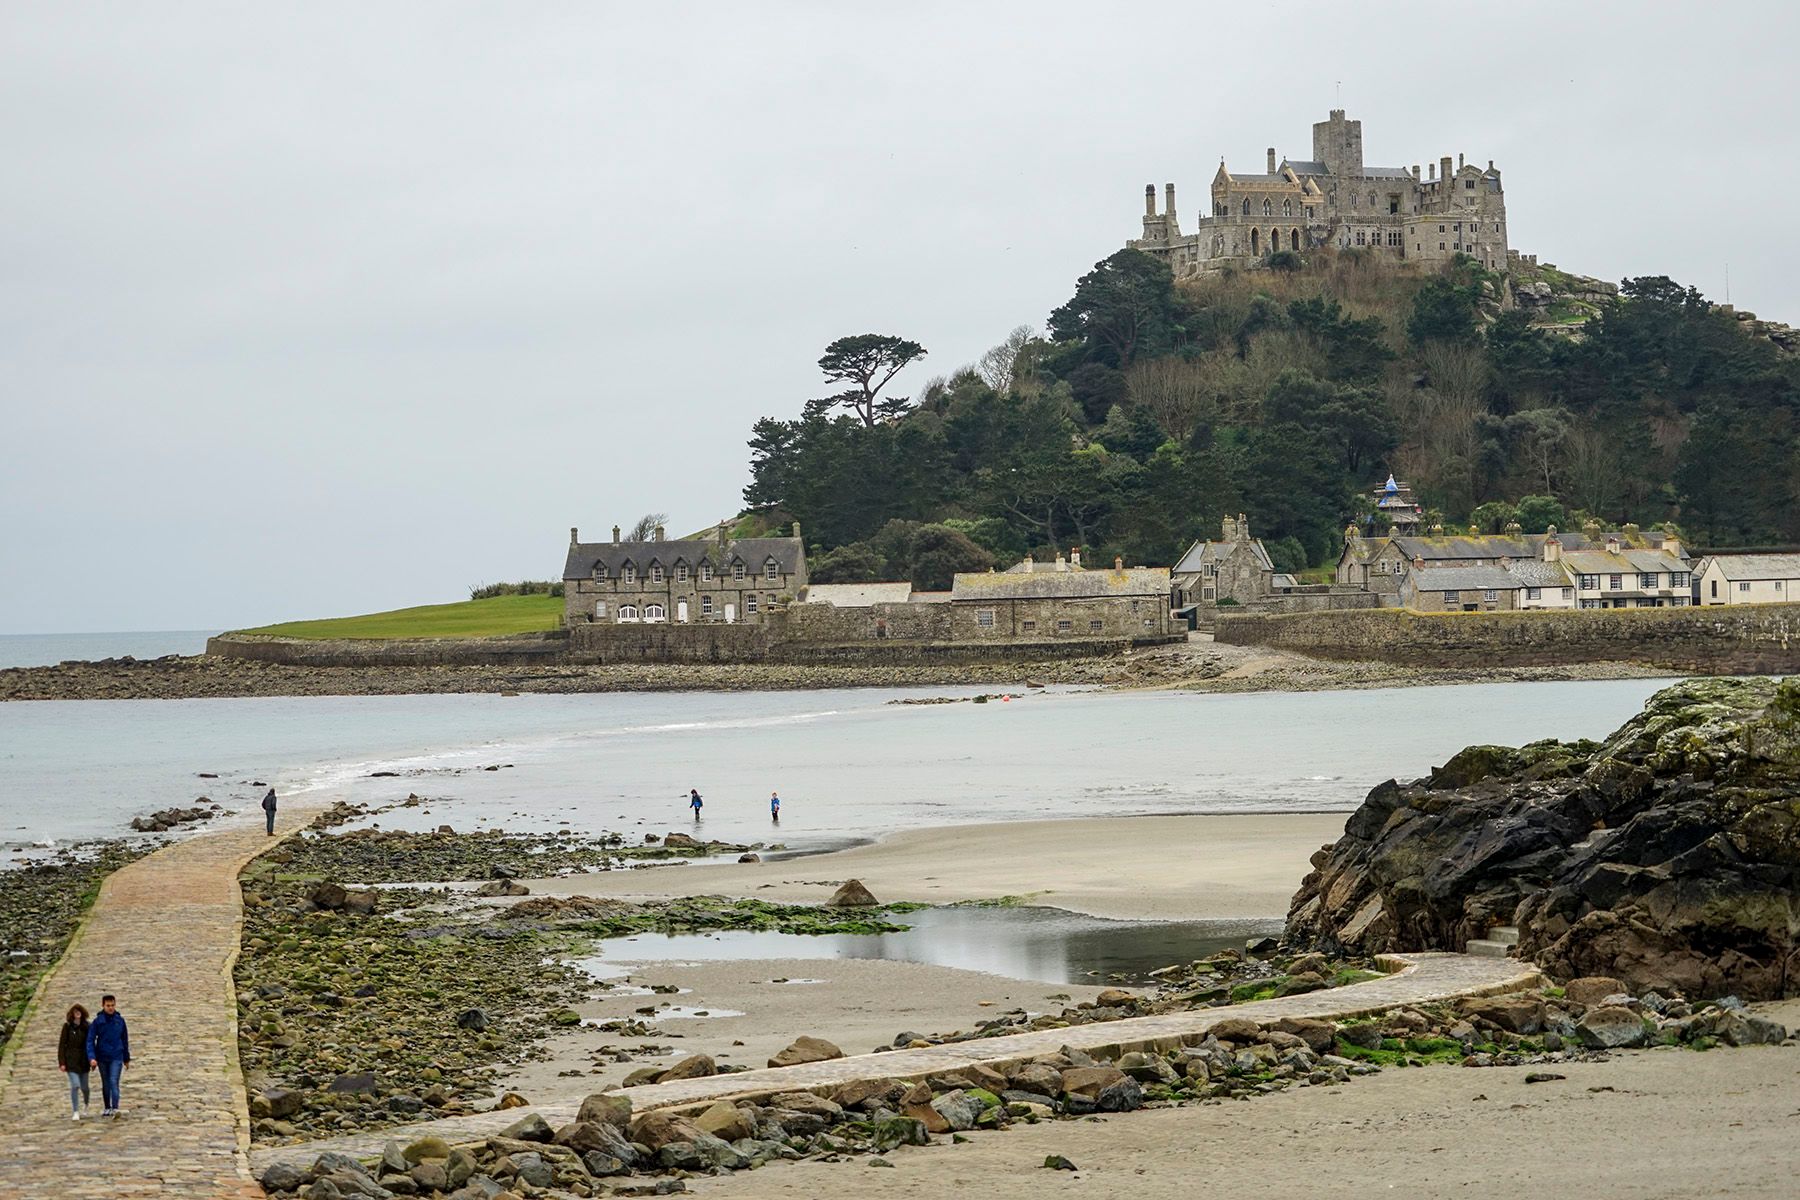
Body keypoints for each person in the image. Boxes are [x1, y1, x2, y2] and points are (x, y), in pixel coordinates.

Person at [86, 994, 130, 1117]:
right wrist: (92, 1057)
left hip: (117, 1055)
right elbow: (90, 1040)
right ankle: (107, 1107)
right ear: (103, 1005)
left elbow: (125, 1040)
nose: (110, 1008)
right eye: (108, 1005)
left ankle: (115, 1107)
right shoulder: (98, 1022)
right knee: (105, 1083)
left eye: (112, 1005)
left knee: (113, 1081)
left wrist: (126, 1058)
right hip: (102, 1056)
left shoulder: (120, 1021)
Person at [58, 1004, 90, 1120]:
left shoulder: (87, 1026)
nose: (77, 1013)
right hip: (71, 1061)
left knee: (85, 1087)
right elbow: (62, 1045)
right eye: (75, 1011)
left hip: (84, 1060)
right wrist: (62, 1062)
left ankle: (86, 1104)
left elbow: (90, 1043)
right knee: (75, 1085)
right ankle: (75, 1110)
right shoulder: (67, 1027)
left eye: (79, 1011)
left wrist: (92, 1058)